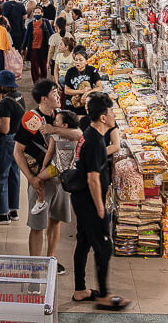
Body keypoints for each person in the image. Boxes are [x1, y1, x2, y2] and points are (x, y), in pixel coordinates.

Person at [68, 94, 130, 309]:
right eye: (112, 112)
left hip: (81, 200)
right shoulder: (94, 141)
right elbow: (93, 178)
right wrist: (100, 207)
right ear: (103, 117)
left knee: (84, 242)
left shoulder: (90, 134)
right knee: (103, 246)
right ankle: (104, 296)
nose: (114, 115)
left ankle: (80, 290)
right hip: (89, 202)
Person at [15, 79, 75, 269]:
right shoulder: (30, 119)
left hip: (60, 178)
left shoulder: (60, 116)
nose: (58, 95)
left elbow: (78, 133)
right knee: (37, 225)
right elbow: (17, 151)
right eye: (54, 93)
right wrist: (31, 178)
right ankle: (35, 267)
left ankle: (50, 259)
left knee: (56, 219)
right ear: (43, 98)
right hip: (40, 181)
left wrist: (54, 129)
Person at [0, 70, 24, 225]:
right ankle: (13, 210)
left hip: (6, 142)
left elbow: (4, 128)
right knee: (14, 175)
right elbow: (13, 117)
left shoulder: (6, 102)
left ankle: (3, 214)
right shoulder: (19, 96)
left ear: (3, 85)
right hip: (17, 140)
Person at [63, 47, 102, 113]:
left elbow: (100, 87)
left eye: (81, 60)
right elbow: (66, 91)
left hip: (86, 102)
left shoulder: (91, 70)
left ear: (86, 61)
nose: (78, 62)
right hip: (72, 103)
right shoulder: (70, 71)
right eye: (76, 60)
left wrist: (87, 93)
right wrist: (81, 91)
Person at [23, 7, 54, 83]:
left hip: (43, 48)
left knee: (43, 66)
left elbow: (51, 33)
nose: (37, 14)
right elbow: (26, 36)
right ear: (33, 14)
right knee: (34, 67)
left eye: (39, 13)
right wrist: (23, 47)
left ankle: (43, 81)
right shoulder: (30, 24)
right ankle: (36, 83)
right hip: (33, 48)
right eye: (35, 13)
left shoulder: (46, 22)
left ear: (42, 14)